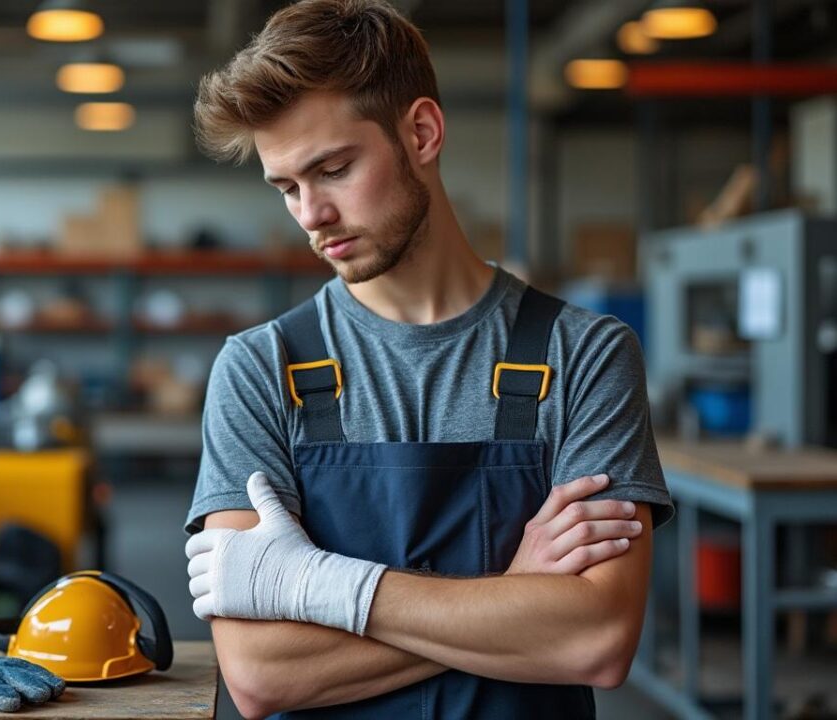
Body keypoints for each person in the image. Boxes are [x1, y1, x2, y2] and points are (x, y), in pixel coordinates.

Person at [182, 1, 674, 718]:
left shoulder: (586, 356)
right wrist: (513, 592)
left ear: (421, 132)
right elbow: (261, 675)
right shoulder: (259, 370)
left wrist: (314, 587)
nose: (310, 215)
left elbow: (595, 640)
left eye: (334, 169)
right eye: (287, 187)